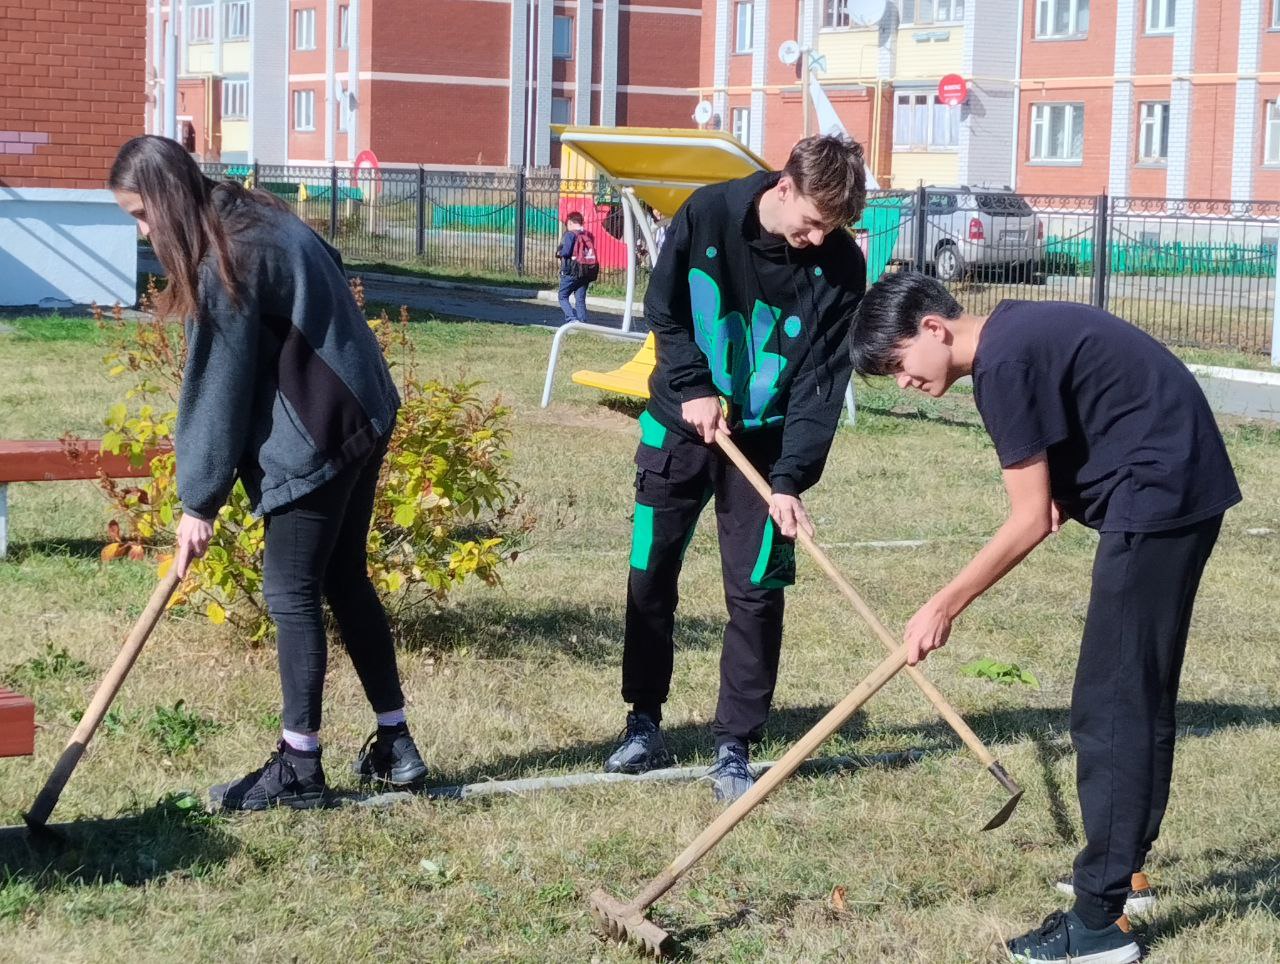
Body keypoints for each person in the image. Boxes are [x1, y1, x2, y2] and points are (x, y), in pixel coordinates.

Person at [847, 273, 1241, 964]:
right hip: (1176, 482)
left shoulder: (1002, 363)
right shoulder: (1012, 335)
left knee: (1111, 706)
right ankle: (1126, 874)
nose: (902, 382)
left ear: (935, 329)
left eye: (899, 364)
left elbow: (1029, 520)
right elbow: (1054, 481)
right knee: (1136, 697)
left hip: (1158, 492)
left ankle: (1095, 927)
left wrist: (943, 604)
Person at [109, 135, 428, 811]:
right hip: (364, 407)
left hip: (321, 428)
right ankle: (395, 744)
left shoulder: (227, 258)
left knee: (291, 591)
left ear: (167, 200)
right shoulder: (253, 213)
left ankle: (299, 765)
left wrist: (198, 500)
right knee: (343, 577)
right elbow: (329, 272)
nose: (142, 231)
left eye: (141, 215)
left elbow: (216, 387)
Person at [605, 134, 868, 802]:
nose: (815, 238)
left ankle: (734, 744)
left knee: (758, 593)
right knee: (650, 571)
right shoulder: (708, 213)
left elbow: (822, 381)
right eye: (811, 222)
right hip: (679, 424)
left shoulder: (839, 267)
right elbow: (664, 309)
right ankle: (643, 720)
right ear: (784, 187)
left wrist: (791, 480)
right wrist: (693, 384)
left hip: (767, 445)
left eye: (829, 229)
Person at [557, 211, 594, 324]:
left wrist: (560, 252)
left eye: (567, 223)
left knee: (562, 296)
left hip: (571, 271)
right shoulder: (588, 235)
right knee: (580, 299)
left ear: (571, 222)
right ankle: (582, 322)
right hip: (585, 272)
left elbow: (566, 252)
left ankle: (571, 319)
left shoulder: (570, 234)